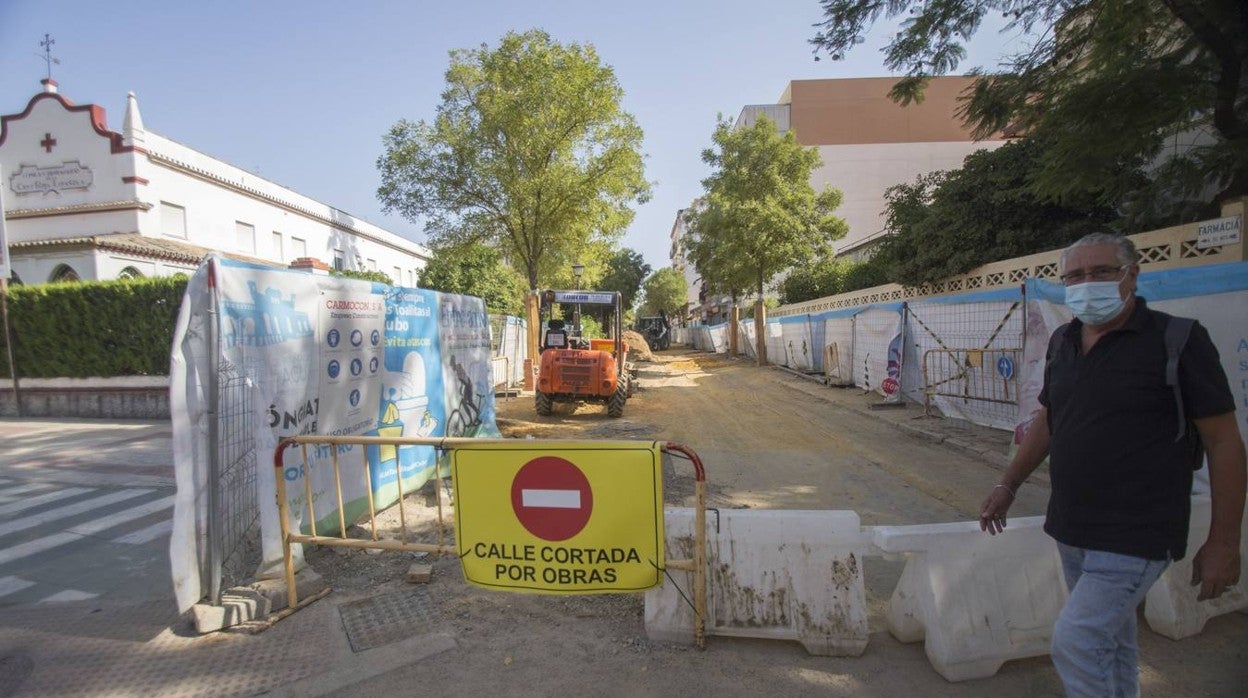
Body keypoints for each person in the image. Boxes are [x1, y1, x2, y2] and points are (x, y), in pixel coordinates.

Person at [979, 233, 1245, 697]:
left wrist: (1223, 542)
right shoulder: (1064, 340)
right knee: (1111, 640)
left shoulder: (1178, 341)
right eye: (1075, 276)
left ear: (1131, 275)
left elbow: (1224, 444)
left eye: (1101, 272)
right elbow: (1049, 419)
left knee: (1077, 642)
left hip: (1138, 531)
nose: (1087, 283)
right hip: (1072, 526)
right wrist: (1008, 484)